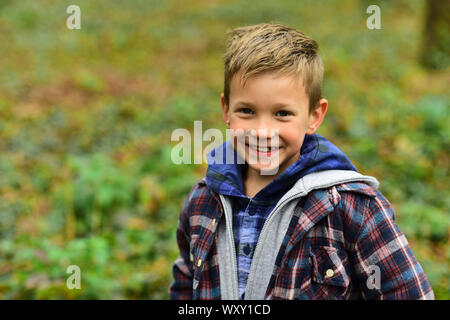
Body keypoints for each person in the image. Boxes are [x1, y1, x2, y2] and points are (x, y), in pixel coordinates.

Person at [169, 23, 434, 300]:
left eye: (282, 113)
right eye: (246, 111)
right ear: (226, 109)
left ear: (314, 116)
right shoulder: (203, 201)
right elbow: (185, 285)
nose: (262, 131)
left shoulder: (352, 207)